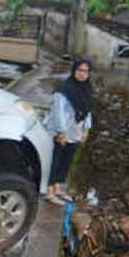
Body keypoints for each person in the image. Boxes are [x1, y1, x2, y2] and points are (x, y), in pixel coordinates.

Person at [44, 58, 94, 205]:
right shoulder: (64, 89)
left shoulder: (87, 89)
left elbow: (88, 110)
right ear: (74, 71)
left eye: (86, 71)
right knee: (55, 160)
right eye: (80, 70)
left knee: (66, 161)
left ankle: (58, 188)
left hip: (76, 131)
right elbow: (57, 111)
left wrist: (86, 129)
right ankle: (49, 191)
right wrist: (61, 132)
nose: (82, 74)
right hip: (62, 131)